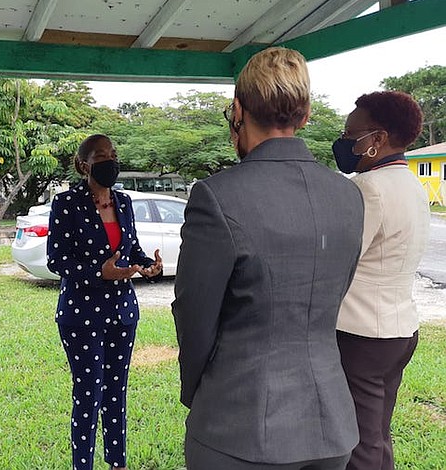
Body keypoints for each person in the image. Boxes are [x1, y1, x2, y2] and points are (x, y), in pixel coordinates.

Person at [172, 47, 364, 470]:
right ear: (306, 113)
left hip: (238, 425)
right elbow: (336, 290)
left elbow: (194, 313)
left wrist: (198, 394)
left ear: (238, 111)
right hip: (332, 424)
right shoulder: (349, 196)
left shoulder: (217, 196)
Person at [47, 134, 162, 470]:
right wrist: (100, 272)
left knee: (116, 395)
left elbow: (131, 250)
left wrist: (146, 266)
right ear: (84, 165)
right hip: (81, 316)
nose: (110, 160)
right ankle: (82, 465)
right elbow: (57, 260)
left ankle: (117, 463)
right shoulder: (67, 203)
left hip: (122, 313)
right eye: (101, 155)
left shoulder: (123, 202)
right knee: (88, 396)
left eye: (113, 153)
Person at [332, 91, 430, 470]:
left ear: (377, 140)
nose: (343, 142)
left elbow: (341, 261)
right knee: (377, 434)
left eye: (350, 134)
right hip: (400, 330)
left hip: (362, 336)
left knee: (361, 444)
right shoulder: (412, 186)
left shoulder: (368, 188)